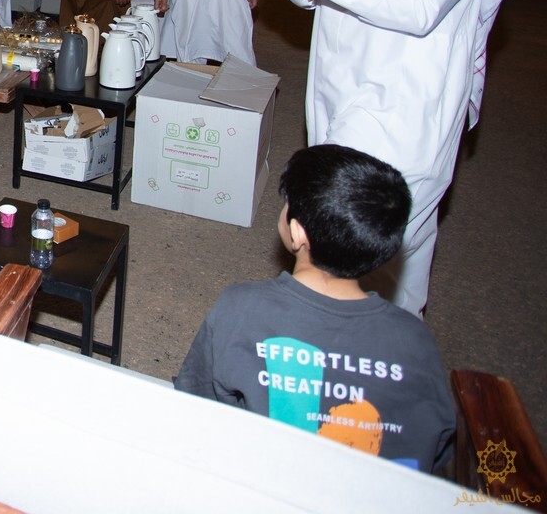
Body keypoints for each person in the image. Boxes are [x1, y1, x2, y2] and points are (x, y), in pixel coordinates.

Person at [261, 0, 511, 316]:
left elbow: (420, 9)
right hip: (336, 105)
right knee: (328, 249)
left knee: (391, 257)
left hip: (403, 116)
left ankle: (392, 347)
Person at [175, 145, 456, 474]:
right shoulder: (415, 340)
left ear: (297, 232)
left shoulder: (241, 308)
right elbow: (437, 448)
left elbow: (193, 404)